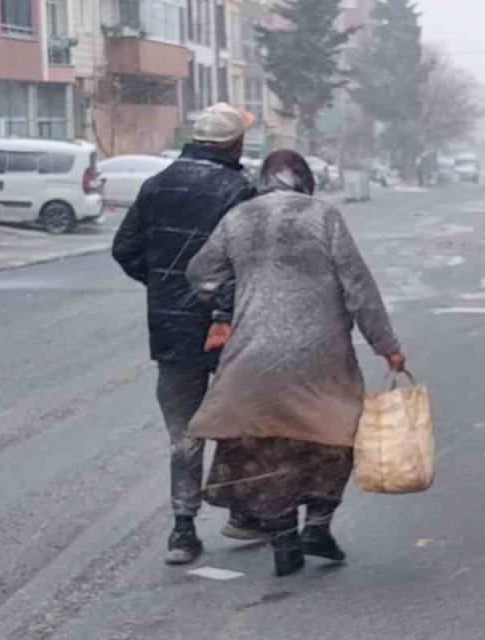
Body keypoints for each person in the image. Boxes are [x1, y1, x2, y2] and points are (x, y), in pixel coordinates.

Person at [185, 150, 406, 577]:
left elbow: (200, 273)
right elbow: (357, 286)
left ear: (263, 180)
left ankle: (285, 537)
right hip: (320, 357)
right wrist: (387, 346)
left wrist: (233, 296)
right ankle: (318, 527)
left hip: (253, 355)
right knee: (334, 438)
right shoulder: (323, 217)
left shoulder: (238, 218)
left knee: (269, 447)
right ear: (305, 180)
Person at [111, 103, 258, 565]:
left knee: (184, 432)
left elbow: (125, 249)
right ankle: (242, 513)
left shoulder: (156, 186)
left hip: (172, 328)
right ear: (234, 144)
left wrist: (162, 283)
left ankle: (183, 529)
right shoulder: (238, 190)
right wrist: (223, 304)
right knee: (238, 422)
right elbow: (247, 263)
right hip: (228, 328)